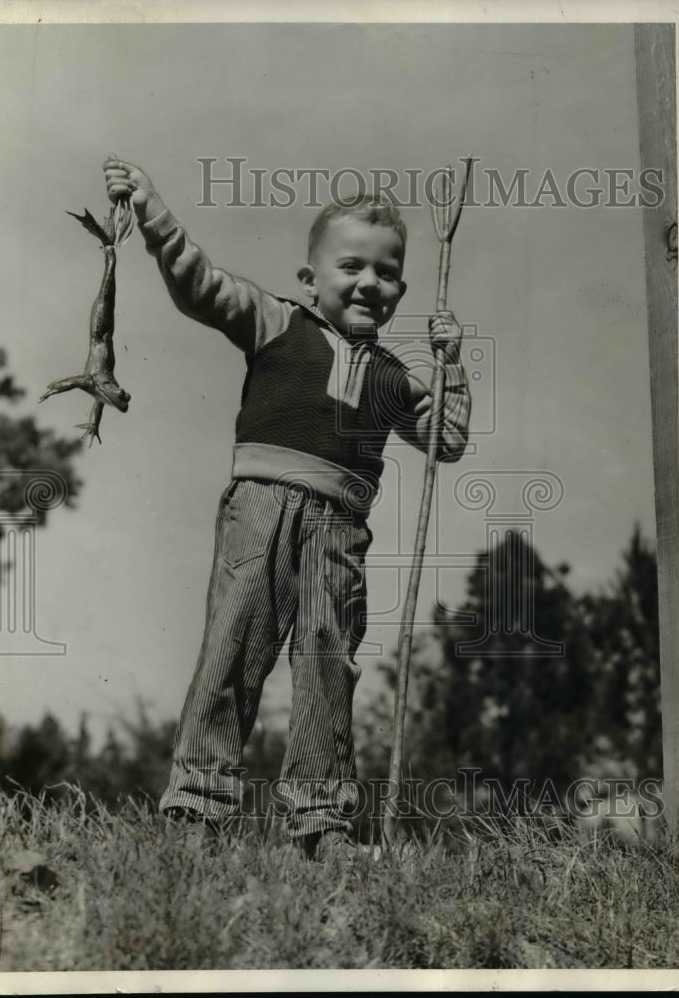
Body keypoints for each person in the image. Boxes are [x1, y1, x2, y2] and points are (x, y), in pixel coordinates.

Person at [103, 155, 471, 860]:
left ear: (401, 291)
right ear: (310, 279)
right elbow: (199, 284)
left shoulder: (396, 378)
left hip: (339, 529)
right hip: (260, 512)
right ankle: (196, 809)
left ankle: (320, 825)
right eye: (351, 266)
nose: (369, 282)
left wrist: (449, 366)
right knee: (233, 648)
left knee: (326, 660)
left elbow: (446, 440)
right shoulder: (274, 320)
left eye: (386, 273)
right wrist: (149, 209)